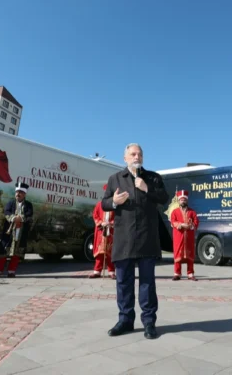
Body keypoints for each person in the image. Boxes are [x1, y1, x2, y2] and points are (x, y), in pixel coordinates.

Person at [101, 143, 169, 340]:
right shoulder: (115, 179)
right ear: (125, 158)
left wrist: (147, 188)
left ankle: (149, 322)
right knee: (123, 282)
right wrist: (114, 202)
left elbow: (164, 197)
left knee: (147, 283)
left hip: (147, 238)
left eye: (139, 154)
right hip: (125, 239)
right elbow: (104, 204)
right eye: (132, 154)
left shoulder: (153, 178)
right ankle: (125, 320)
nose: (136, 156)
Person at [0, 181, 33, 278]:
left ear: (24, 194)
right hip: (9, 232)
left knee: (17, 252)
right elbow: (6, 212)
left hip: (21, 232)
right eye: (17, 192)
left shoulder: (28, 205)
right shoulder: (10, 203)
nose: (18, 194)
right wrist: (13, 218)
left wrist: (21, 218)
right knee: (3, 251)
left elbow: (29, 216)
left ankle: (11, 271)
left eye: (20, 192)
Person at [170, 190, 199, 281]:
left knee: (190, 254)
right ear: (179, 201)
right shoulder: (174, 212)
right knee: (178, 253)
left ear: (187, 201)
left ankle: (190, 274)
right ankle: (177, 273)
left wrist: (191, 226)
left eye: (184, 200)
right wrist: (181, 225)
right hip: (179, 236)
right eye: (181, 200)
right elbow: (173, 221)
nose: (183, 201)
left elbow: (196, 222)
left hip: (189, 237)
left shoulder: (192, 212)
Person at [90, 184, 115, 279]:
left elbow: (119, 218)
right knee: (100, 252)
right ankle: (97, 271)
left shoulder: (115, 206)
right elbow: (95, 214)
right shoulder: (99, 204)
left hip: (111, 231)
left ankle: (111, 271)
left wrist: (111, 223)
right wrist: (101, 223)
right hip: (101, 231)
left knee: (110, 253)